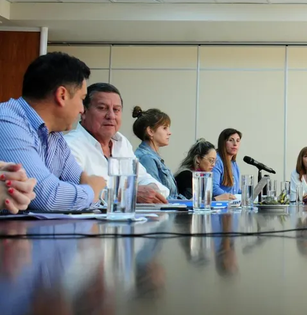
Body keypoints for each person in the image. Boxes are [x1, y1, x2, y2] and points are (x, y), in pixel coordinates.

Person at [0, 52, 106, 211]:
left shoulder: (55, 135)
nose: (82, 109)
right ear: (62, 95)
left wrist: (88, 190)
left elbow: (80, 179)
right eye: (81, 99)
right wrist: (92, 191)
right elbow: (46, 197)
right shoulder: (6, 122)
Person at [65, 83, 169, 204]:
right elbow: (78, 192)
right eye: (102, 108)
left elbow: (142, 178)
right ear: (83, 112)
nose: (111, 116)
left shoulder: (122, 142)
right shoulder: (70, 145)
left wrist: (152, 189)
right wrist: (129, 194)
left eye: (116, 110)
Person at [132, 106, 177, 198]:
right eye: (165, 128)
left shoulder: (154, 157)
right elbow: (157, 195)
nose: (169, 133)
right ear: (150, 131)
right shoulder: (146, 158)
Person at [212, 128, 241, 200]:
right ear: (223, 142)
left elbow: (235, 190)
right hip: (218, 205)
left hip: (231, 205)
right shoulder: (217, 161)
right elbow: (213, 188)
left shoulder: (233, 163)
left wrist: (248, 194)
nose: (235, 144)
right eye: (231, 140)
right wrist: (229, 196)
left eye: (238, 141)